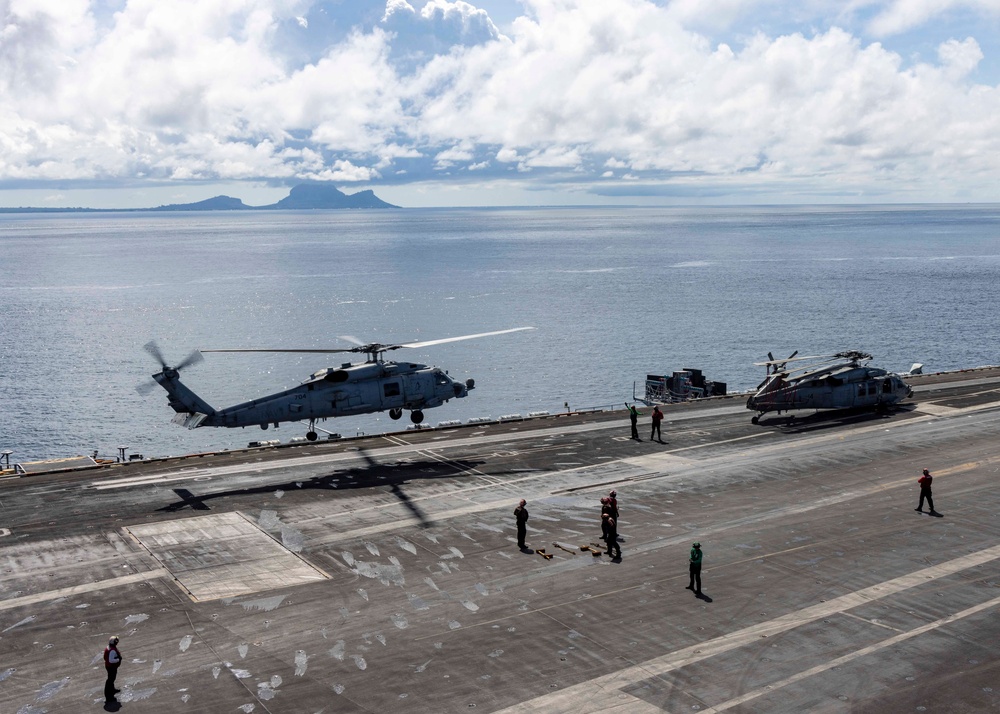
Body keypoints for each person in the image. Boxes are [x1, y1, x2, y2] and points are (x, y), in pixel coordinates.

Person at [104, 635, 122, 701]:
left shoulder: (108, 647)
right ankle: (108, 692)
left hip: (108, 666)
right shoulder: (112, 650)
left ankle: (111, 689)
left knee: (111, 678)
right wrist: (118, 659)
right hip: (111, 667)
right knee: (111, 679)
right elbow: (111, 660)